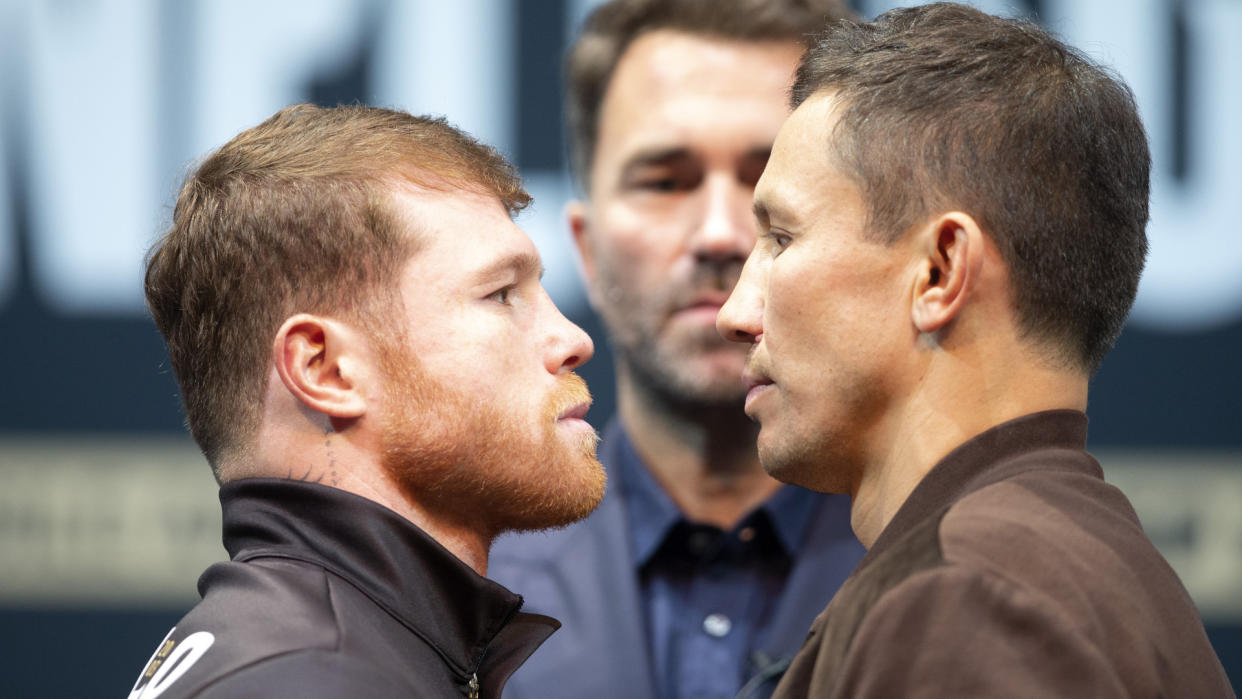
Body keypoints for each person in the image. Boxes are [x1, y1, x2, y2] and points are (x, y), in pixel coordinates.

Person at [716, 4, 1236, 697]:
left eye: (781, 238)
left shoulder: (969, 599)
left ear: (939, 271)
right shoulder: (1073, 566)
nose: (734, 312)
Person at [127, 104, 607, 699]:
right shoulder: (309, 679)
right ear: (325, 369)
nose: (572, 340)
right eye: (502, 294)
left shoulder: (299, 650)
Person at [488, 2, 863, 698]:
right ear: (587, 249)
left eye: (766, 175)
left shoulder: (969, 574)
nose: (722, 233)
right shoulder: (461, 597)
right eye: (665, 180)